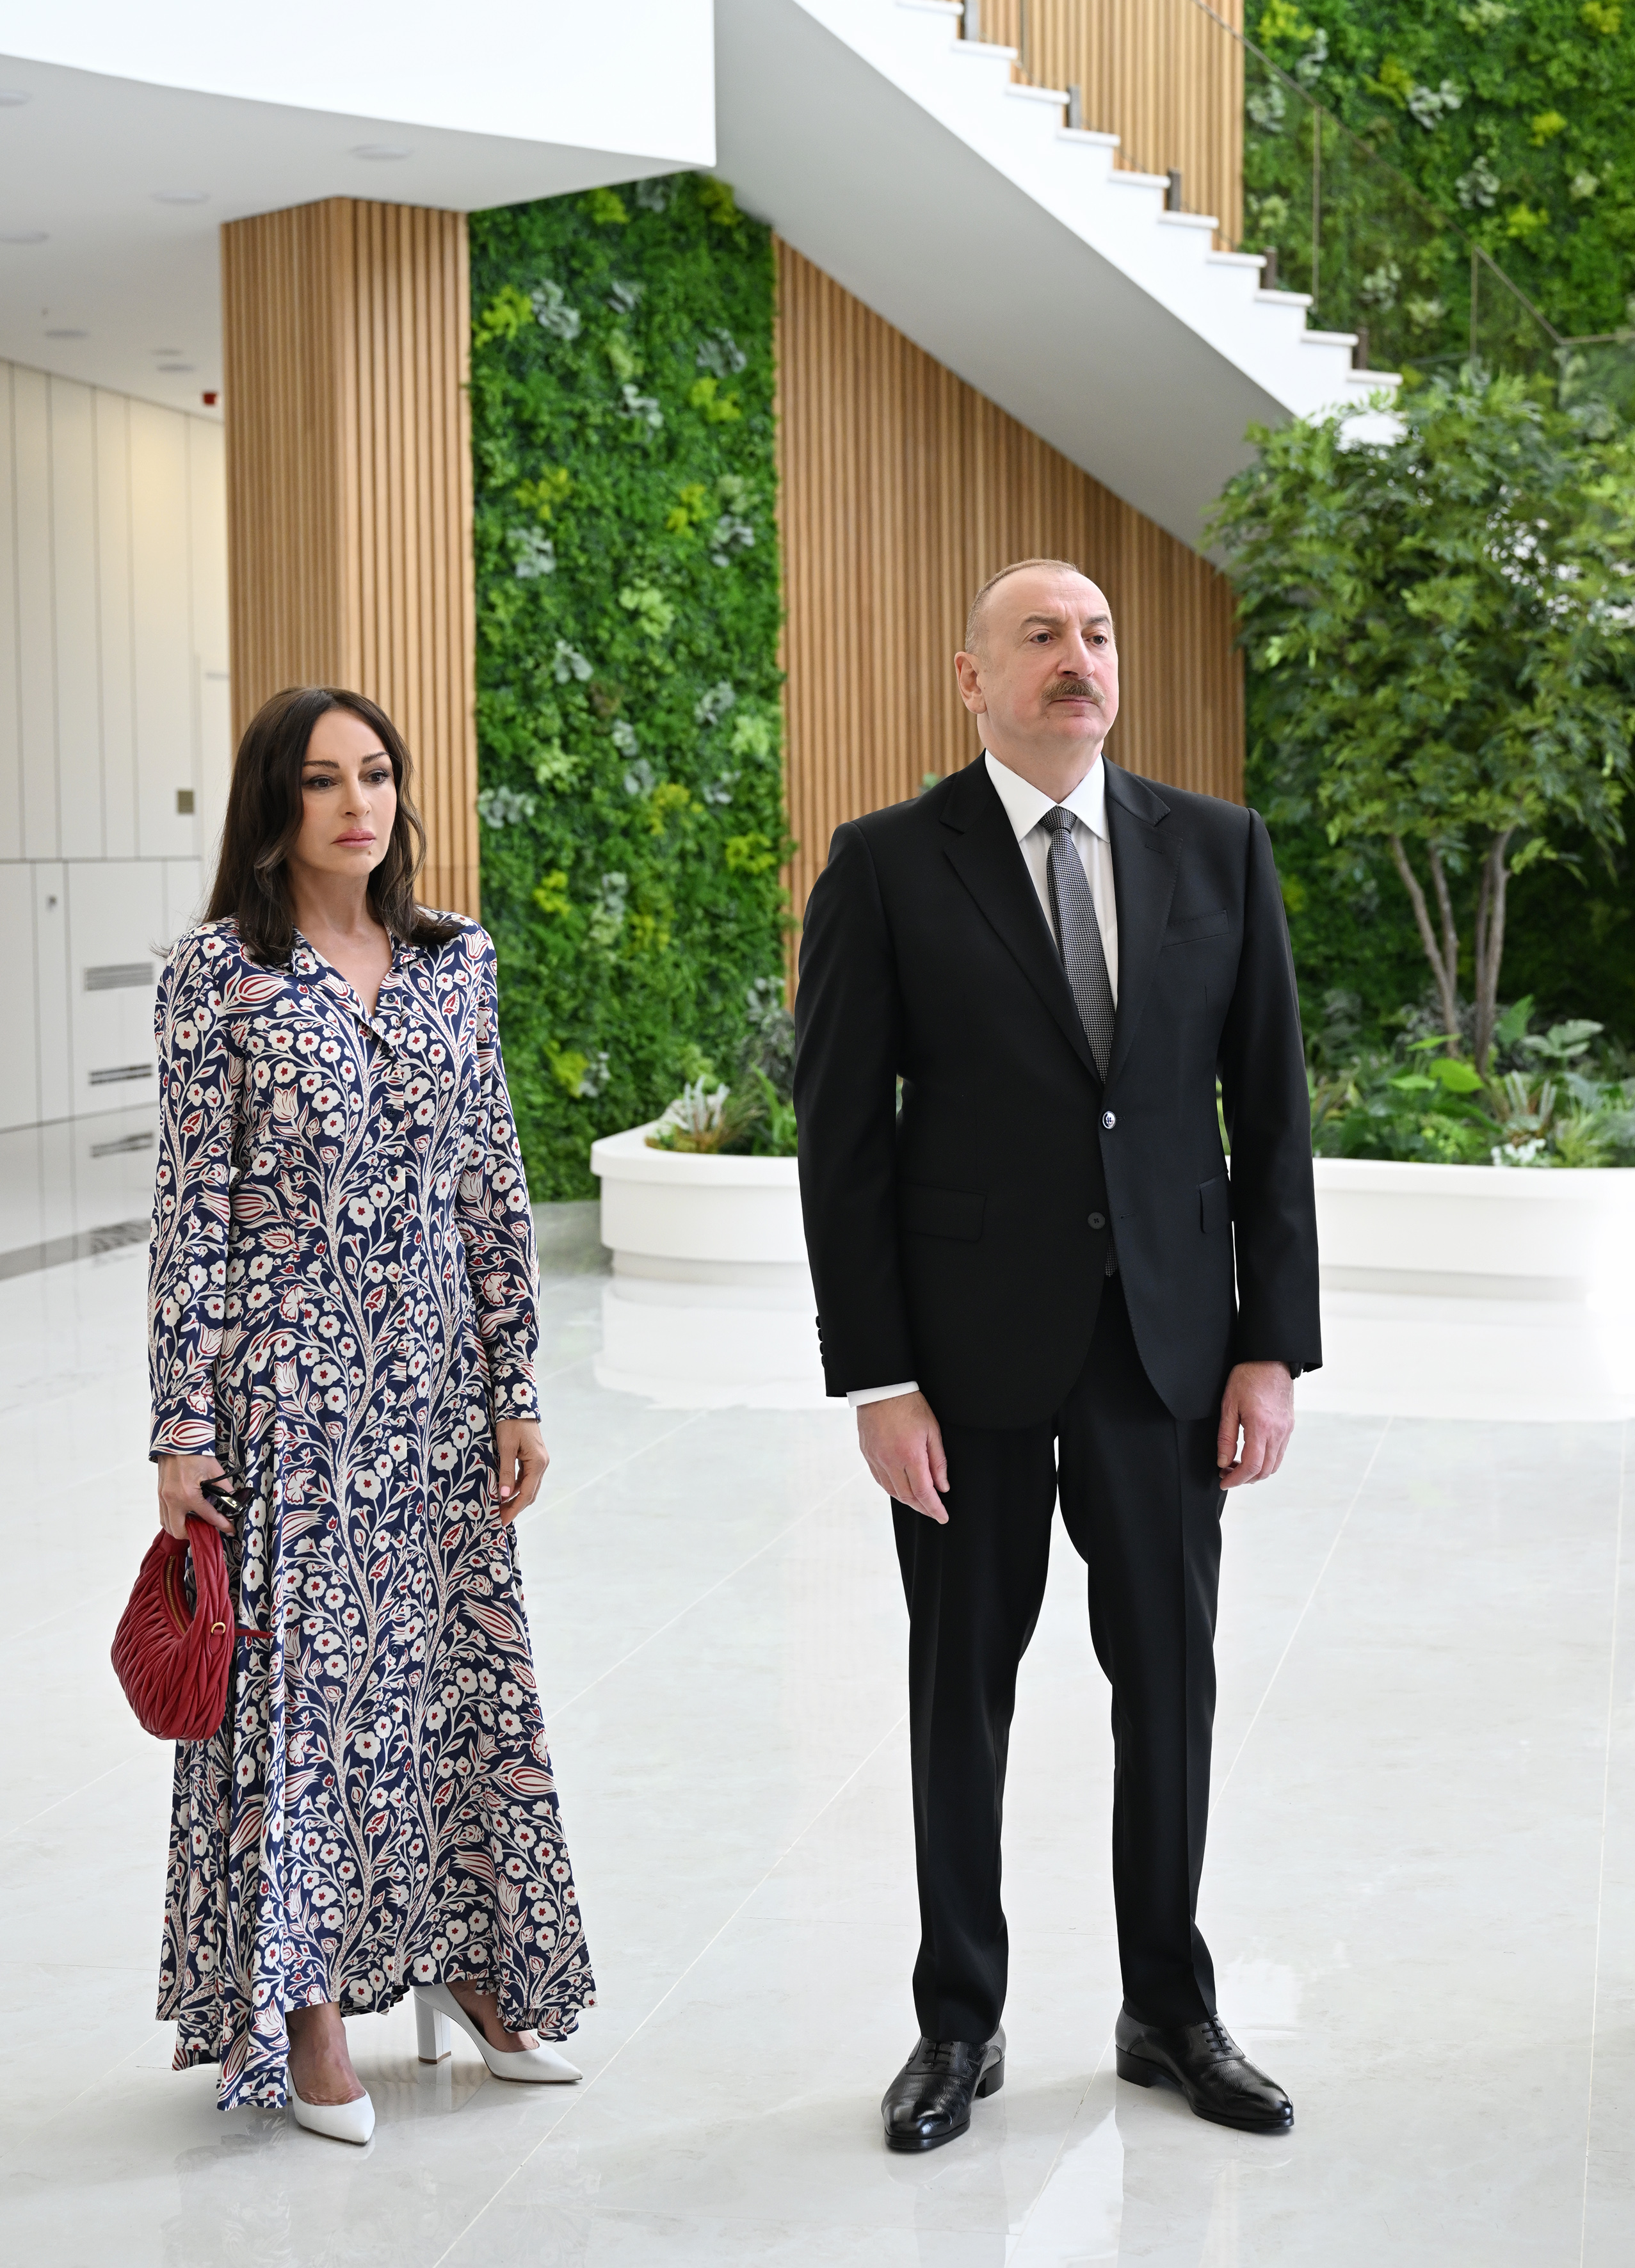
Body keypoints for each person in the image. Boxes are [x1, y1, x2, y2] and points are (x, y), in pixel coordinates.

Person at [793, 560, 1320, 2151]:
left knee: (1167, 1681)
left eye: (1094, 635)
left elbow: (1269, 1112)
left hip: (1166, 1349)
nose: (1075, 659)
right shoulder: (887, 863)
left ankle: (1167, 2006)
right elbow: (841, 1140)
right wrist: (877, 1376)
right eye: (1038, 637)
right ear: (972, 678)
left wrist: (1270, 1347)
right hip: (961, 1366)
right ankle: (956, 2019)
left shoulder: (1216, 847)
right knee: (959, 1691)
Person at [149, 686, 594, 2144]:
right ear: (274, 804)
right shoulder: (218, 974)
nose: (358, 803)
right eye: (323, 779)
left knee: (453, 1682)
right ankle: (306, 2010)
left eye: (378, 774)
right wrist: (181, 1426)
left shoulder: (454, 959)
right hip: (288, 1400)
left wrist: (515, 1385)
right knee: (309, 1698)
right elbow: (191, 1211)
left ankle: (469, 1968)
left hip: (438, 1393)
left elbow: (491, 1181)